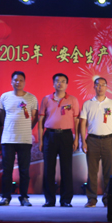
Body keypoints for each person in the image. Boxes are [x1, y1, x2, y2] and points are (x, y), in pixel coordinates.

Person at [38, 73, 80, 207]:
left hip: (66, 135)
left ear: (67, 84)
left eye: (63, 81)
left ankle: (66, 200)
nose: (60, 83)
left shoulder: (72, 100)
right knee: (48, 169)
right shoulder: (46, 99)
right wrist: (40, 140)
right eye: (57, 81)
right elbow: (41, 121)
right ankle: (49, 199)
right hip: (49, 135)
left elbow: (76, 121)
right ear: (53, 84)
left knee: (66, 168)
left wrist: (76, 139)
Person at [0, 71, 38, 206]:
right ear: (11, 82)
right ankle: (5, 197)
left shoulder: (31, 98)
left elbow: (35, 117)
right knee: (7, 170)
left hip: (25, 139)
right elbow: (1, 115)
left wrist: (26, 128)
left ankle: (24, 197)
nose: (18, 82)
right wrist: (8, 127)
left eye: (21, 80)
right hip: (8, 139)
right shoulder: (5, 97)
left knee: (24, 170)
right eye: (15, 80)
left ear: (24, 82)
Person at [79, 77, 112, 208]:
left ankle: (107, 199)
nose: (100, 87)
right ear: (94, 87)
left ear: (107, 87)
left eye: (103, 85)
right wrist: (83, 141)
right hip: (92, 140)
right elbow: (83, 123)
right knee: (92, 172)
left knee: (108, 172)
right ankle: (92, 199)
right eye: (98, 85)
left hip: (109, 140)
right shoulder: (88, 104)